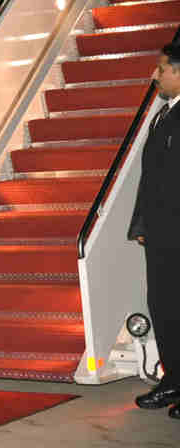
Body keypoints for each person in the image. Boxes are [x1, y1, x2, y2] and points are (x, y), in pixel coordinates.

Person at [129, 42, 180, 420]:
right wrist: (142, 223)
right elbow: (151, 179)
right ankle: (174, 379)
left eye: (160, 69)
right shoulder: (163, 115)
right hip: (162, 234)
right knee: (163, 307)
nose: (155, 75)